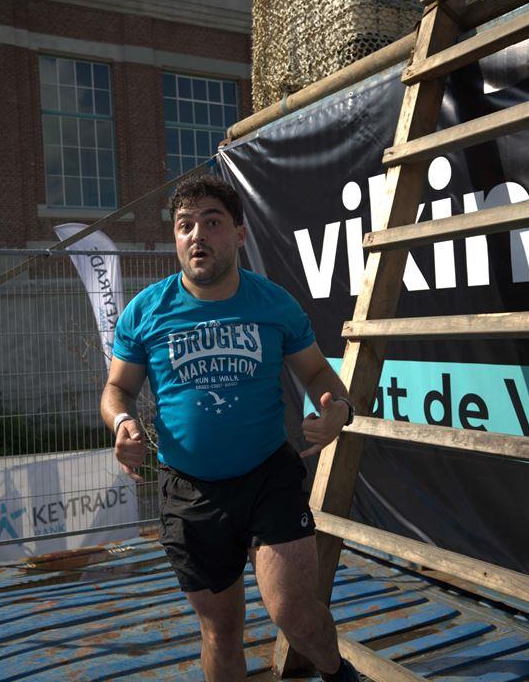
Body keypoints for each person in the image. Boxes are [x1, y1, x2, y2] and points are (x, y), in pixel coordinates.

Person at [101, 174, 360, 682]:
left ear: (239, 234)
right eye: (185, 225)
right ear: (175, 238)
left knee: (294, 612)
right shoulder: (145, 312)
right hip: (189, 491)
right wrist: (122, 422)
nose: (197, 234)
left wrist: (338, 408)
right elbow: (117, 389)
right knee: (220, 631)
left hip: (267, 478)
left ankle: (338, 674)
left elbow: (317, 373)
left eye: (212, 222)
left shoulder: (274, 304)